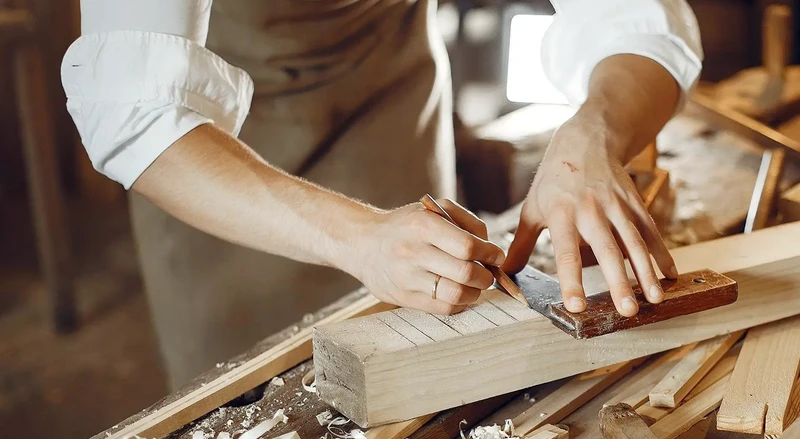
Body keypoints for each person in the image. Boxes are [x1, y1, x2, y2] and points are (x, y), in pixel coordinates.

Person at [63, 0, 703, 388]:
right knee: (257, 415)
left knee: (428, 367)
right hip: (214, 162)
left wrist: (595, 129)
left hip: (392, 98)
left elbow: (639, 22)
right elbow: (134, 116)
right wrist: (359, 238)